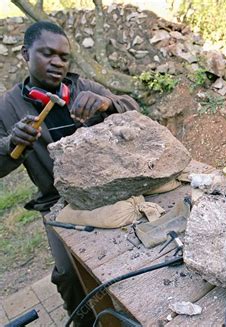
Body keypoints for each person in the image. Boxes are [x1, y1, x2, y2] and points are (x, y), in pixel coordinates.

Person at [0, 21, 139, 326]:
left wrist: (108, 104)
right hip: (57, 202)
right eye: (47, 54)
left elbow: (136, 112)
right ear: (26, 53)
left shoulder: (85, 88)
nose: (57, 63)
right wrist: (11, 143)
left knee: (130, 256)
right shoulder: (7, 107)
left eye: (64, 57)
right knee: (69, 275)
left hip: (107, 190)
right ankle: (84, 321)